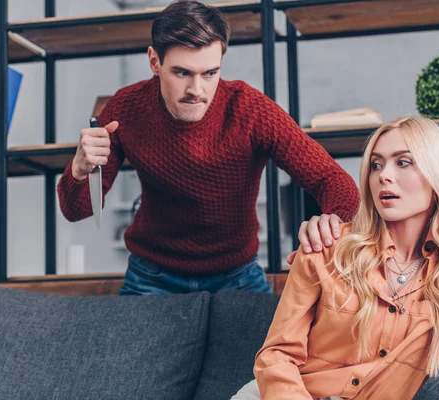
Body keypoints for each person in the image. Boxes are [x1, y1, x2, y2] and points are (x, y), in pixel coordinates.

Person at [56, 0, 359, 295]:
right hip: (152, 276)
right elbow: (77, 210)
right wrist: (79, 170)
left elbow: (333, 182)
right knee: (127, 349)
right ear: (154, 62)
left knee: (271, 348)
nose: (196, 91)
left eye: (210, 73)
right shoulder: (125, 109)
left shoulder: (251, 110)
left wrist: (331, 221)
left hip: (239, 274)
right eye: (182, 73)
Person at [232, 116, 439, 399]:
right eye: (376, 164)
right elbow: (277, 355)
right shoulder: (327, 246)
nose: (383, 175)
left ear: (436, 173)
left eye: (403, 162)